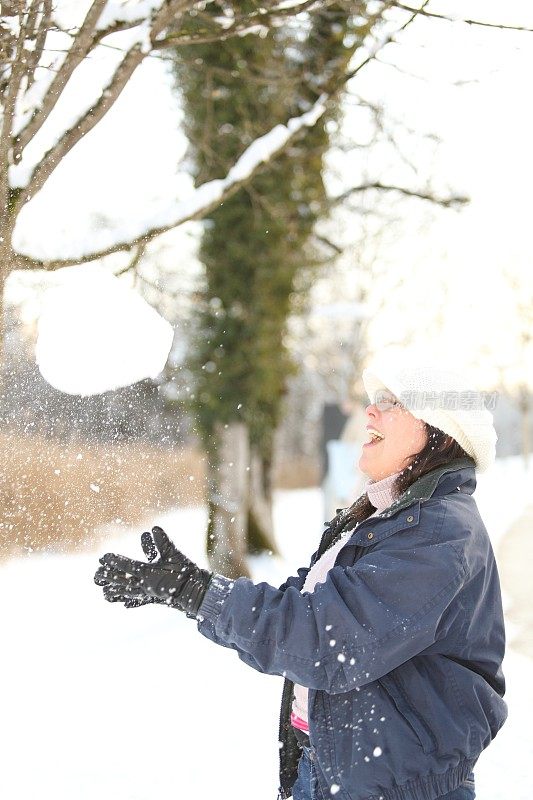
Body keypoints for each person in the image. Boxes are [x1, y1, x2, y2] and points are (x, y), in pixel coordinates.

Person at [95, 361, 507, 800]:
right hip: (340, 771)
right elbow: (306, 603)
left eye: (391, 402)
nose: (370, 412)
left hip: (398, 788)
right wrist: (192, 592)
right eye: (373, 401)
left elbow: (327, 640)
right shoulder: (389, 517)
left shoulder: (437, 530)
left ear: (439, 432)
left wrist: (196, 593)